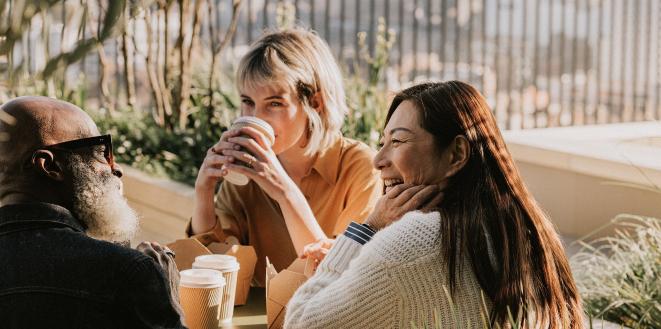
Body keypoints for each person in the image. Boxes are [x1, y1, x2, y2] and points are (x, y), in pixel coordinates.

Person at [285, 81, 584, 328]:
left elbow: (301, 323)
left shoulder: (413, 242)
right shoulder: (526, 229)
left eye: (398, 142)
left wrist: (367, 230)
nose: (378, 161)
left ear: (455, 155)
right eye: (382, 143)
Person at [188, 28, 381, 286]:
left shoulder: (362, 168)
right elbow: (212, 272)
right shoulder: (245, 174)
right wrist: (204, 191)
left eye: (274, 103)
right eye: (248, 101)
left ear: (315, 103)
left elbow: (340, 278)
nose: (256, 117)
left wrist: (284, 191)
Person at [0, 96, 185, 329]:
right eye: (100, 152)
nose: (114, 168)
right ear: (50, 166)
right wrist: (168, 294)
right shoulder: (130, 274)